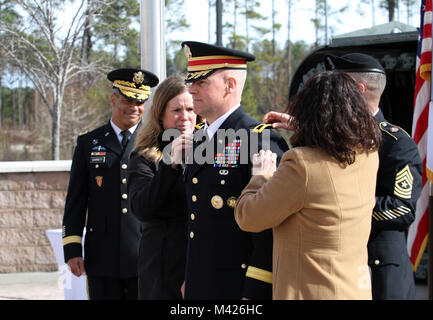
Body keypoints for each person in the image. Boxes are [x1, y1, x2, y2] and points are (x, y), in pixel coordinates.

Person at [235, 71, 382, 300]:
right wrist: (303, 125)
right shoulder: (369, 153)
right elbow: (339, 139)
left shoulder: (301, 164)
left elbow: (249, 217)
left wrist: (261, 175)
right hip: (353, 291)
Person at [180, 40, 289, 300]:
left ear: (230, 85)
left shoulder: (259, 139)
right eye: (191, 81)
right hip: (201, 282)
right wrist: (190, 276)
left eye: (201, 82)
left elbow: (270, 227)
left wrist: (256, 289)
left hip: (237, 287)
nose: (191, 90)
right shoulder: (199, 138)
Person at [324, 53, 423, 300]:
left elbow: (401, 208)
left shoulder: (395, 142)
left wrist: (342, 209)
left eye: (337, 85)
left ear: (359, 90)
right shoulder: (329, 138)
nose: (329, 93)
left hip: (379, 272)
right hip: (338, 268)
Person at [62, 68, 159, 300]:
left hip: (143, 252)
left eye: (140, 102)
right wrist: (72, 248)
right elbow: (76, 200)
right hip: (102, 255)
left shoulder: (155, 142)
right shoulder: (88, 142)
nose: (134, 108)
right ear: (113, 99)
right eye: (128, 100)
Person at [126, 75, 199, 299]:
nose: (185, 117)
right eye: (176, 110)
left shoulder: (209, 150)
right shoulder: (144, 155)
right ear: (160, 114)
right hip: (163, 268)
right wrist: (170, 164)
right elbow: (142, 208)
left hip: (200, 264)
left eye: (190, 109)